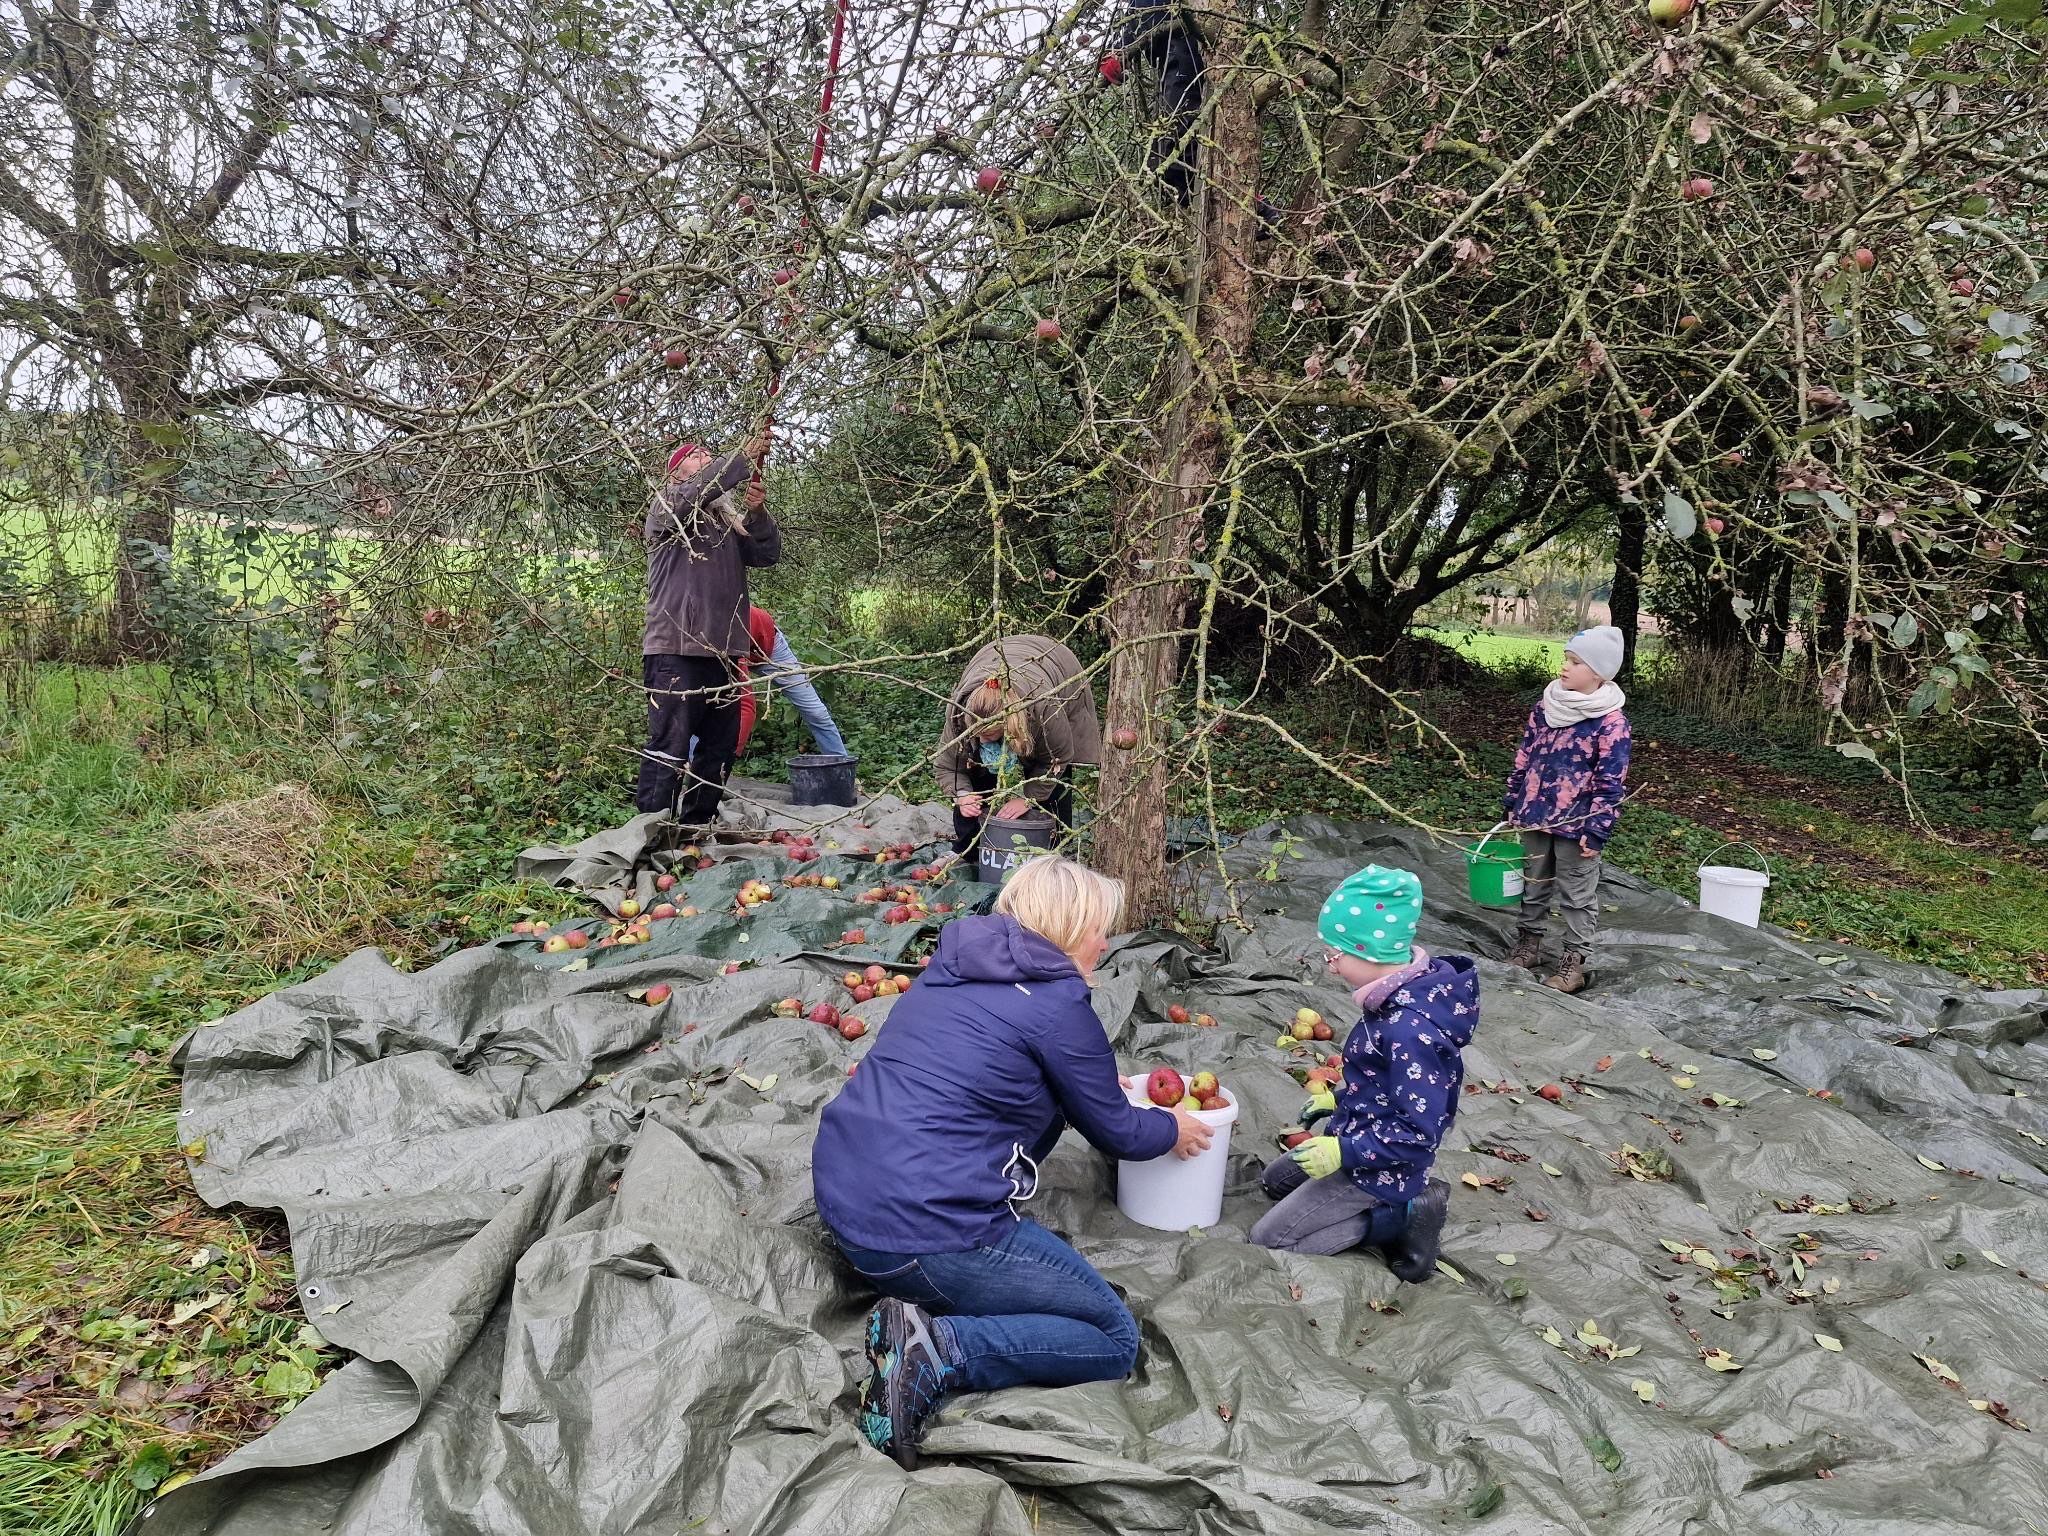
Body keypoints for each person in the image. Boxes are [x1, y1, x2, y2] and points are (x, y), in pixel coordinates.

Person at [812, 854, 1211, 1469]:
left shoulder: (952, 967)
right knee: (1113, 1338)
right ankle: (940, 1350)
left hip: (845, 1200)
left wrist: (1099, 1084)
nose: (1107, 941)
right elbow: (1120, 1133)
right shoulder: (1057, 1006)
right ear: (1071, 929)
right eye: (1101, 927)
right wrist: (1172, 1126)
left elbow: (993, 1062)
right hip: (926, 1233)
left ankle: (926, 1326)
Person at [1249, 865, 1476, 1277]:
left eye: (1335, 955)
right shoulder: (1388, 1001)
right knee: (1272, 1182)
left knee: (1271, 1241)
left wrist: (1342, 1152)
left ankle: (1402, 1215)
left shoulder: (1411, 1030)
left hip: (1382, 1165)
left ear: (1370, 951)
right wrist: (1336, 1099)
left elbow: (1419, 1133)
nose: (1330, 967)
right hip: (1357, 1133)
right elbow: (1380, 1081)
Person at [635, 437, 779, 826]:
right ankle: (649, 834)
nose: (706, 458)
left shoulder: (726, 523)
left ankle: (696, 827)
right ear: (674, 472)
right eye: (694, 456)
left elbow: (765, 555)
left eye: (708, 454)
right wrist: (740, 458)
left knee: (718, 747)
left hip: (726, 653)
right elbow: (700, 489)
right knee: (669, 746)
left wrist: (757, 512)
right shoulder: (668, 506)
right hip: (676, 648)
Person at [1501, 624, 1633, 994]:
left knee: (1576, 894)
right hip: (1535, 815)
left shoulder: (1611, 723)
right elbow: (1524, 756)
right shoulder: (1546, 707)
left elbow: (1611, 783)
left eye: (1575, 662)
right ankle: (1529, 944)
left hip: (1577, 825)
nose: (1564, 667)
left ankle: (1573, 962)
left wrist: (1598, 829)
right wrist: (1513, 798)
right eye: (1566, 659)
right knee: (1533, 882)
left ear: (1598, 673)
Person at [934, 636, 1102, 860]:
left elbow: (1057, 760)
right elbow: (948, 765)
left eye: (991, 735)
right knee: (972, 763)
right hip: (993, 656)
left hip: (1056, 663)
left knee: (1052, 781)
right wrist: (962, 795)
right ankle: (969, 848)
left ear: (1011, 726)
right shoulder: (959, 712)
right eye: (979, 734)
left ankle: (1052, 848)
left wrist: (1028, 798)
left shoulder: (1045, 711)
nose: (984, 741)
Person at [735, 605, 848, 758]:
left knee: (816, 712)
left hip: (770, 648)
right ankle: (693, 769)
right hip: (732, 650)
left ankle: (842, 768)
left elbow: (746, 706)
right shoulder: (698, 640)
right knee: (701, 704)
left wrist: (729, 755)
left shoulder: (727, 628)